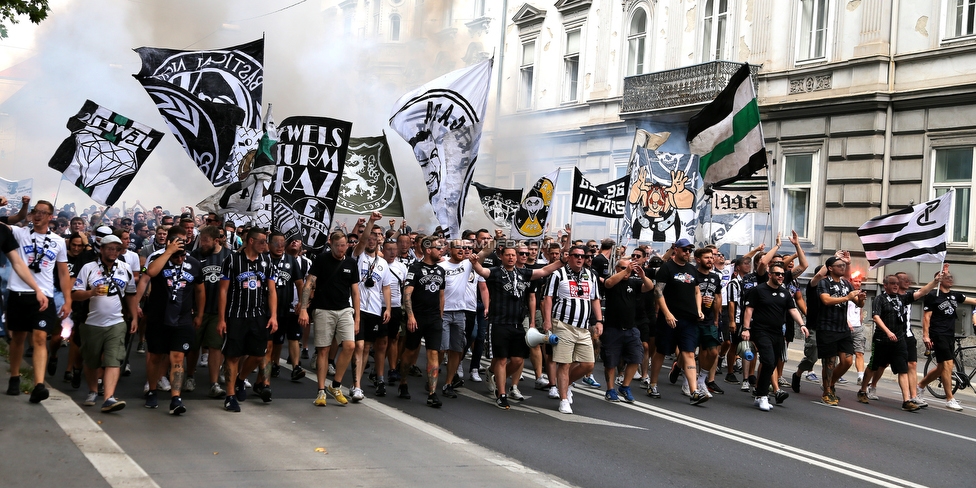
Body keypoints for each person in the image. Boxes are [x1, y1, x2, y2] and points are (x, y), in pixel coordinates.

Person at [473, 241, 566, 409]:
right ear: (501, 256)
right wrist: (475, 262)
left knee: (517, 360)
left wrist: (563, 262)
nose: (511, 257)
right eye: (508, 255)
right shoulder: (495, 272)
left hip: (517, 323)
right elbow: (481, 270)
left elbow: (544, 270)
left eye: (513, 255)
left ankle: (495, 377)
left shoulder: (523, 272)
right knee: (501, 359)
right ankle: (501, 394)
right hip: (499, 322)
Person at [5, 200, 65, 402]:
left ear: (50, 216)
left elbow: (63, 274)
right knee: (18, 338)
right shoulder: (18, 233)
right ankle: (14, 377)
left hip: (44, 296)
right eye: (35, 212)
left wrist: (68, 300)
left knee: (40, 338)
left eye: (43, 212)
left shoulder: (58, 241)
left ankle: (39, 385)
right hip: (18, 292)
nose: (37, 215)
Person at [141, 226, 205, 415]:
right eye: (176, 253)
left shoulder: (193, 263)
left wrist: (199, 314)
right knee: (155, 356)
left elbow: (200, 290)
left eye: (182, 253)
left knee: (177, 358)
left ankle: (176, 398)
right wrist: (168, 252)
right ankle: (152, 389)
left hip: (183, 318)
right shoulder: (157, 258)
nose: (180, 257)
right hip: (158, 317)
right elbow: (150, 272)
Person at [71, 235, 138, 412]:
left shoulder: (125, 268)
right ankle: (93, 391)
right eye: (109, 248)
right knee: (91, 360)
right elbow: (75, 294)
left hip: (116, 322)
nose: (113, 252)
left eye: (117, 249)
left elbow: (131, 294)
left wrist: (134, 317)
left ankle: (108, 397)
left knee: (113, 360)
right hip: (91, 322)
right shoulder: (89, 268)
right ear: (101, 249)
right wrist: (91, 293)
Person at [857, 273, 940, 410]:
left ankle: (906, 401)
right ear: (885, 285)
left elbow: (921, 292)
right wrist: (888, 332)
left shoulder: (902, 298)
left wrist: (935, 281)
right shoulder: (880, 299)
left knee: (903, 369)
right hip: (882, 339)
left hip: (899, 340)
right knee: (874, 365)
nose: (895, 286)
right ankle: (863, 390)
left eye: (897, 283)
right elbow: (876, 317)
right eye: (892, 283)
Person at [216, 228, 278, 412]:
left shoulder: (266, 261)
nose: (265, 245)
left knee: (259, 354)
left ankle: (241, 379)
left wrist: (273, 316)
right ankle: (230, 396)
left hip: (258, 315)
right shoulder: (232, 260)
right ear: (250, 241)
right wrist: (221, 319)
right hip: (236, 315)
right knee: (233, 355)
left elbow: (272, 290)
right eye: (262, 242)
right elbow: (223, 291)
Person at [298, 231, 359, 407]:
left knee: (350, 346)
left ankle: (336, 385)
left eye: (344, 245)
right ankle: (321, 391)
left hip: (345, 309)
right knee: (323, 350)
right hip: (323, 309)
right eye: (338, 245)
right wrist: (303, 309)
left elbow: (355, 292)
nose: (341, 249)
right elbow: (309, 283)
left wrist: (357, 319)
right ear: (331, 244)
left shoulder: (350, 263)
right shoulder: (321, 259)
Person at [542, 245, 603, 414]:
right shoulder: (557, 274)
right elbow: (548, 298)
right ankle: (563, 399)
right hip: (563, 325)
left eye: (582, 257)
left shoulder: (590, 275)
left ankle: (566, 383)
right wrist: (547, 321)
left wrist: (599, 320)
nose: (579, 259)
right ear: (568, 257)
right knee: (564, 363)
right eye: (575, 255)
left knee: (588, 364)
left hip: (583, 327)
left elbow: (595, 299)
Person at [741, 262, 808, 411]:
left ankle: (759, 395)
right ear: (770, 275)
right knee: (769, 361)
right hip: (760, 331)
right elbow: (749, 310)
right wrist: (746, 329)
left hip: (778, 332)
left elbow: (793, 310)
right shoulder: (758, 290)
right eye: (777, 274)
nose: (780, 276)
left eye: (782, 274)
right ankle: (763, 395)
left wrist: (802, 324)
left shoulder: (784, 292)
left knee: (772, 363)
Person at [650, 238, 707, 405]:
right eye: (684, 250)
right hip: (669, 320)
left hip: (688, 319)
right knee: (661, 351)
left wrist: (698, 310)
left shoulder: (691, 269)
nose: (687, 253)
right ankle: (652, 384)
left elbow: (697, 291)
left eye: (689, 250)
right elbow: (658, 292)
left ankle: (694, 391)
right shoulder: (666, 268)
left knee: (689, 353)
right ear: (676, 250)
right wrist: (667, 314)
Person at [918, 269, 976, 411]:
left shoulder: (955, 295)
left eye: (951, 276)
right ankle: (950, 399)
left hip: (950, 334)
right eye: (947, 277)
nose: (951, 278)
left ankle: (919, 386)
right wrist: (925, 335)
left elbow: (973, 300)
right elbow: (926, 317)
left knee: (941, 368)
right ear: (939, 279)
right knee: (948, 365)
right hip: (938, 334)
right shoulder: (933, 295)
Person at [350, 216, 392, 402]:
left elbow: (386, 287)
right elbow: (361, 241)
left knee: (366, 347)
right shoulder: (358, 256)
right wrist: (370, 222)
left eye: (375, 239)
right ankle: (357, 385)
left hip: (374, 309)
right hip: (356, 307)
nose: (371, 241)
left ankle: (356, 383)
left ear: (379, 243)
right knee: (358, 346)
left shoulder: (383, 264)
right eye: (369, 238)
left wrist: (388, 308)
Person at [601, 257, 653, 403]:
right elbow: (609, 283)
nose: (627, 271)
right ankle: (610, 389)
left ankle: (625, 386)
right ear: (617, 268)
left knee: (636, 357)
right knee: (610, 362)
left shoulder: (634, 282)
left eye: (629, 268)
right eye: (623, 268)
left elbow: (649, 287)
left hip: (631, 328)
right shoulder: (611, 280)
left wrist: (642, 275)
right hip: (612, 328)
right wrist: (626, 270)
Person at [188, 225, 231, 398]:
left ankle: (213, 383)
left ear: (216, 240)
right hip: (197, 309)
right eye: (201, 240)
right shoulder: (195, 256)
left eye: (205, 241)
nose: (202, 244)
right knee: (193, 346)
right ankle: (190, 376)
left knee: (215, 346)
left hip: (218, 311)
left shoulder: (228, 257)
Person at [817, 255, 864, 406]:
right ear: (830, 268)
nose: (842, 268)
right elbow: (826, 300)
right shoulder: (824, 283)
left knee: (847, 361)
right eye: (839, 265)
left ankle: (830, 384)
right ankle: (826, 392)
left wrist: (861, 298)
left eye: (844, 266)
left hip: (843, 328)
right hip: (827, 327)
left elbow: (858, 303)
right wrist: (847, 298)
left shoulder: (846, 284)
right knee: (829, 362)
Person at [263, 231, 307, 386]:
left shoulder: (290, 260)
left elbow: (300, 284)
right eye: (276, 243)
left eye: (283, 243)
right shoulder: (263, 259)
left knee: (293, 336)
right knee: (272, 342)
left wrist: (302, 304)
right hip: (265, 309)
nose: (280, 246)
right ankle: (270, 369)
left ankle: (296, 367)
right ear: (268, 244)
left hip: (287, 306)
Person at [439, 239, 478, 400]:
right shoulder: (442, 266)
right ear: (450, 249)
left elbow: (487, 251)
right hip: (444, 313)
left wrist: (497, 238)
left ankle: (448, 383)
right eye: (459, 248)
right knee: (441, 349)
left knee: (456, 349)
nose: (463, 250)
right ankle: (433, 380)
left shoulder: (468, 264)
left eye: (465, 248)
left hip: (460, 313)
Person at [382, 237, 408, 392]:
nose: (392, 252)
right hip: (379, 306)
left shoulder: (402, 267)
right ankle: (376, 371)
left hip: (396, 306)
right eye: (389, 249)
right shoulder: (378, 264)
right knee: (381, 340)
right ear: (383, 250)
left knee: (394, 338)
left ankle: (392, 369)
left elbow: (404, 287)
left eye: (394, 249)